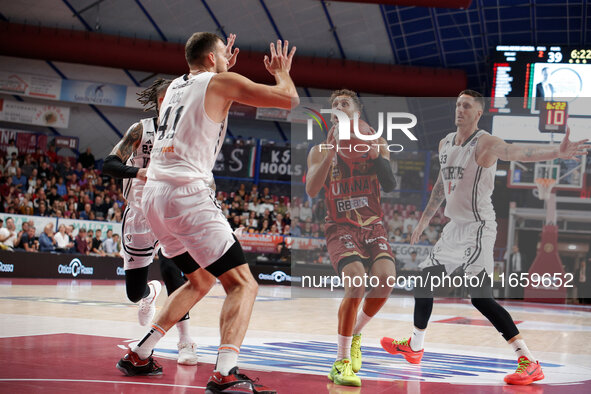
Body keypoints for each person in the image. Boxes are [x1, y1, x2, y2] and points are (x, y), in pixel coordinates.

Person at [117, 32, 297, 394]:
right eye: (222, 55)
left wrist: (221, 66)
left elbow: (208, 91)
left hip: (153, 196)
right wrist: (282, 72)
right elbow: (288, 100)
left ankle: (140, 353)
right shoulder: (220, 81)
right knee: (243, 285)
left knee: (199, 280)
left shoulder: (174, 88)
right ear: (214, 58)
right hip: (186, 196)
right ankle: (226, 372)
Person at [380, 90, 588, 385]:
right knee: (424, 281)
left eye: (467, 106)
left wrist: (557, 151)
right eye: (457, 105)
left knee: (479, 298)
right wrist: (424, 220)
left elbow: (517, 152)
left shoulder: (486, 143)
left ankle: (528, 360)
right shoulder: (445, 143)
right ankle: (415, 346)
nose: (460, 110)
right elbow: (441, 184)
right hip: (453, 228)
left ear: (478, 113)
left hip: (479, 228)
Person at [103, 78, 203, 366]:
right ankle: (150, 294)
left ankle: (186, 341)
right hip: (138, 215)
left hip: (172, 212)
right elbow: (109, 165)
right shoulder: (140, 130)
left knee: (175, 272)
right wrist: (139, 173)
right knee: (134, 292)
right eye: (168, 98)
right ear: (160, 102)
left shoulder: (188, 131)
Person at [305, 89, 397, 387]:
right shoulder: (320, 149)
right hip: (340, 226)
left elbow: (390, 183)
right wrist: (331, 154)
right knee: (356, 282)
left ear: (356, 112)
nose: (338, 107)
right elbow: (310, 190)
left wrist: (373, 153)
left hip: (372, 224)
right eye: (334, 105)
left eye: (344, 103)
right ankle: (341, 362)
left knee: (386, 279)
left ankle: (356, 332)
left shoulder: (378, 142)